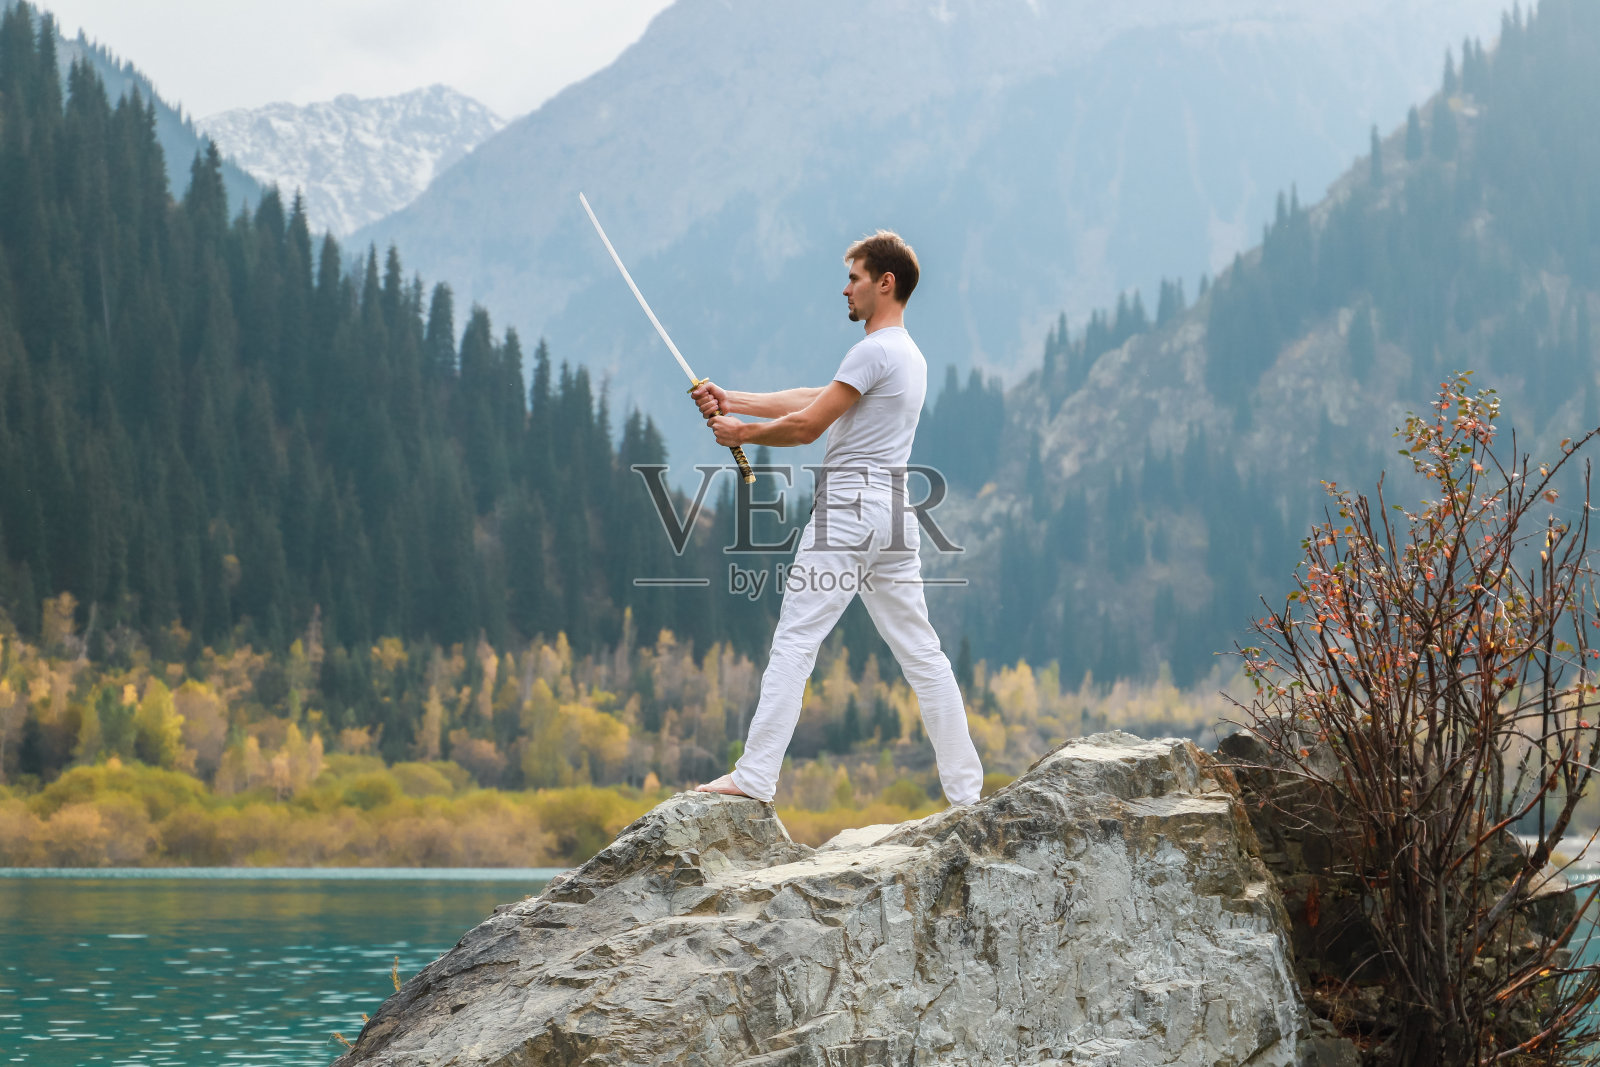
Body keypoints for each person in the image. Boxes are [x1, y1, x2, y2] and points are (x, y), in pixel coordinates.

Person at [690, 231, 983, 807]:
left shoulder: (872, 351)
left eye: (854, 277)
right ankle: (968, 797)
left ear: (885, 283)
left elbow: (806, 426)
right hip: (896, 516)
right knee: (923, 655)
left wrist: (740, 433)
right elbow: (813, 396)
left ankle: (753, 779)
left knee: (797, 640)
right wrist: (735, 400)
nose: (845, 288)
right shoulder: (906, 356)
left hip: (848, 513)